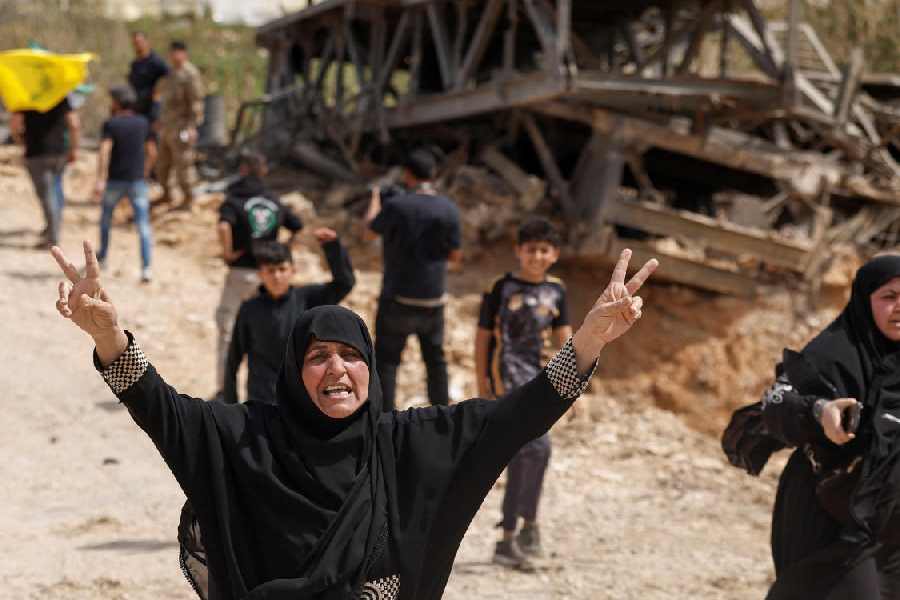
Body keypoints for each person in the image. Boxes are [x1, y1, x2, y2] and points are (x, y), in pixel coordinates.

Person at [50, 240, 656, 600]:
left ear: (372, 369)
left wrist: (589, 340)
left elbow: (518, 416)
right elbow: (157, 404)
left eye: (351, 356)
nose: (336, 370)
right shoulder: (246, 439)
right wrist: (109, 335)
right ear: (294, 371)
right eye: (317, 357)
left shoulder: (408, 445)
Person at [723, 255, 900, 600]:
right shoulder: (835, 352)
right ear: (865, 300)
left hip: (890, 526)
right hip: (828, 520)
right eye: (889, 297)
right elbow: (779, 401)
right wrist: (820, 412)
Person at [475, 218, 571, 570]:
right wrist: (482, 382)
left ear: (554, 254)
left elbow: (566, 339)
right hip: (508, 379)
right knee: (533, 448)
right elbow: (483, 337)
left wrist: (575, 386)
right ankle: (512, 535)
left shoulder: (557, 291)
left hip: (542, 379)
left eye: (544, 250)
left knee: (535, 454)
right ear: (518, 251)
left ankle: (523, 529)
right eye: (530, 249)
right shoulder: (500, 287)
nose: (536, 256)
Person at [363, 146, 462, 411]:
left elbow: (370, 232)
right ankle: (442, 418)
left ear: (407, 174)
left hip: (397, 297)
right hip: (433, 300)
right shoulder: (449, 209)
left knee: (386, 362)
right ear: (434, 174)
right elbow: (455, 256)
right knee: (435, 362)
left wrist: (375, 198)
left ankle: (385, 423)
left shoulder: (396, 206)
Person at [213, 150, 304, 401]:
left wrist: (228, 252)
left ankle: (224, 389)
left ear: (242, 169)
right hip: (270, 275)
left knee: (228, 330)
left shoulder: (234, 198)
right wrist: (284, 251)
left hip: (241, 272)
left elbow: (223, 226)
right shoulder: (274, 199)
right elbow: (298, 225)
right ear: (262, 170)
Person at [223, 236, 356, 405]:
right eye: (270, 271)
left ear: (293, 270)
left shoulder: (308, 299)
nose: (276, 276)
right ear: (260, 274)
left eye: (282, 269)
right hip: (262, 403)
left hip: (302, 401)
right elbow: (233, 359)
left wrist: (332, 247)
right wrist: (232, 409)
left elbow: (345, 283)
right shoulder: (250, 309)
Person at [94, 85, 157, 283]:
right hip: (137, 181)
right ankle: (146, 268)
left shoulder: (111, 124)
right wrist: (145, 172)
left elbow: (104, 151)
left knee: (106, 219)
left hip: (115, 180)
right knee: (143, 226)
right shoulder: (143, 123)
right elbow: (152, 152)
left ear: (117, 103)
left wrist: (100, 178)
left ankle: (102, 257)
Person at [10, 96, 80, 248]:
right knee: (56, 190)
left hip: (37, 154)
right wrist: (74, 149)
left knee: (47, 196)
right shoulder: (60, 95)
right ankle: (53, 228)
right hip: (59, 153)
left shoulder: (26, 96)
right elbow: (74, 124)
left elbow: (15, 125)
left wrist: (22, 142)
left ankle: (53, 237)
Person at [155, 40, 204, 210]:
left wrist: (192, 127)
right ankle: (167, 194)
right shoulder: (171, 74)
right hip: (168, 126)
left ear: (183, 53)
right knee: (162, 165)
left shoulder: (190, 74)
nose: (173, 56)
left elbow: (196, 102)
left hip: (182, 126)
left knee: (184, 164)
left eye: (176, 52)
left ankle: (189, 199)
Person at [127, 31, 169, 125]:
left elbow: (170, 78)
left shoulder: (156, 62)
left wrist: (159, 92)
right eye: (135, 43)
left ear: (147, 42)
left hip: (153, 108)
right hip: (137, 107)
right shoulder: (135, 64)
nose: (137, 45)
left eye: (140, 42)